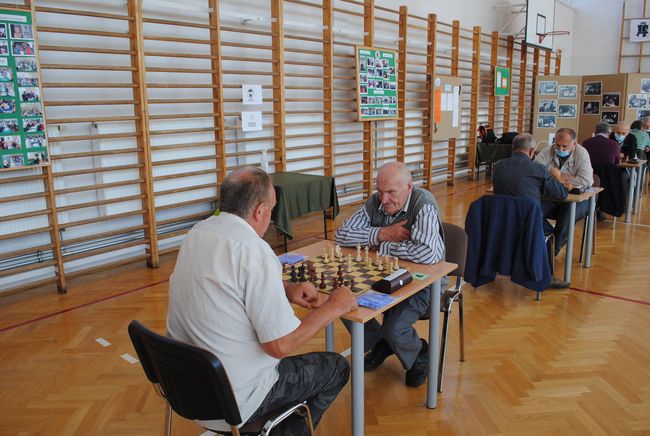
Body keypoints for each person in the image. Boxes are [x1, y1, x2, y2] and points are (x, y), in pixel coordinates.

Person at [167, 167, 357, 435]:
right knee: (336, 368)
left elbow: (227, 285)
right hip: (234, 400)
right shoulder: (253, 249)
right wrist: (333, 307)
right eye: (272, 209)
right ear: (259, 211)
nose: (271, 216)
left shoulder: (198, 232)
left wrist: (284, 288)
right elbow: (280, 345)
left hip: (186, 389)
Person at [334, 162, 445, 388]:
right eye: (380, 191)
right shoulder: (376, 202)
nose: (384, 200)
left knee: (395, 327)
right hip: (381, 275)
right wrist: (382, 233)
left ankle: (419, 352)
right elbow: (342, 235)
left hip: (424, 283)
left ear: (409, 188)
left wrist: (381, 246)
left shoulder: (423, 203)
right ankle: (385, 342)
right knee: (343, 302)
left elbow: (428, 253)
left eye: (391, 192)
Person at [492, 133, 570, 288]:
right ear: (531, 151)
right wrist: (558, 177)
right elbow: (561, 194)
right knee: (549, 233)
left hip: (500, 219)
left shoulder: (498, 166)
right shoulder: (537, 169)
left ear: (513, 149)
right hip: (528, 220)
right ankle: (546, 276)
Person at [535, 128, 593, 256]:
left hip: (577, 198)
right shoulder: (548, 150)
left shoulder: (581, 153)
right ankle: (552, 238)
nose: (560, 149)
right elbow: (536, 172)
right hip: (552, 196)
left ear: (574, 143)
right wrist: (567, 179)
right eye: (558, 145)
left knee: (566, 217)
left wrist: (557, 176)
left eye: (565, 146)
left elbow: (586, 180)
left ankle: (552, 251)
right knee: (531, 211)